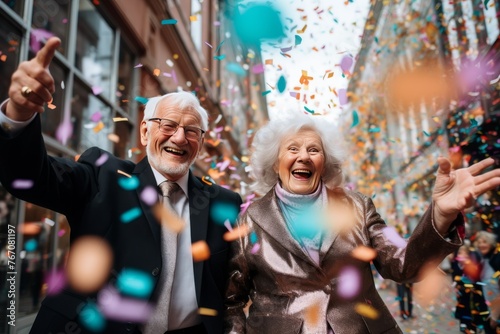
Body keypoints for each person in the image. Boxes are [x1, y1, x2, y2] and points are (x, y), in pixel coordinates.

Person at [0, 37, 242, 334]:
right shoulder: (103, 176)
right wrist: (20, 116)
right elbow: (31, 179)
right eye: (168, 126)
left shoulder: (224, 202)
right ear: (144, 132)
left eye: (191, 131)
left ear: (201, 143)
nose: (179, 138)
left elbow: (246, 274)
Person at [224, 114, 500, 333]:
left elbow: (403, 266)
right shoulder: (249, 220)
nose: (304, 156)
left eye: (313, 149)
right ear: (275, 163)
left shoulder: (358, 206)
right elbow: (231, 301)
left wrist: (440, 214)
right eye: (292, 148)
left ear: (325, 162)